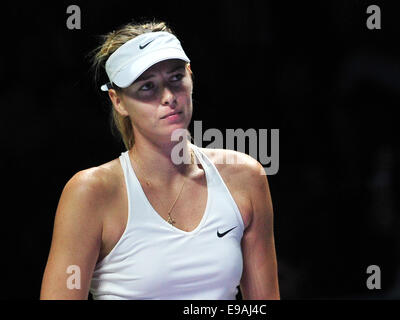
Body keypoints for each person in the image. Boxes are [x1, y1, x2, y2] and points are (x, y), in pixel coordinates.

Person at [40, 20, 279, 300]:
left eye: (176, 78)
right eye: (147, 87)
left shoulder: (245, 177)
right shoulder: (91, 193)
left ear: (191, 76)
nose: (168, 97)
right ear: (118, 101)